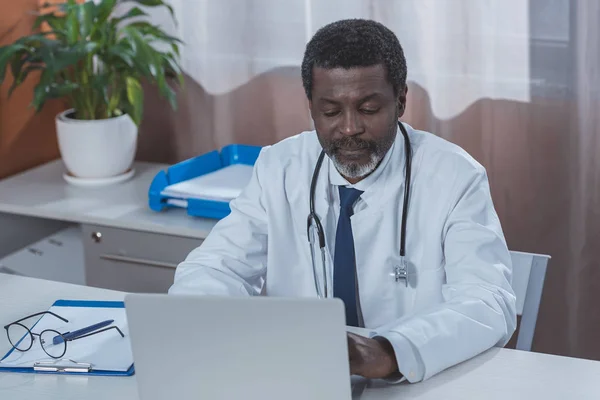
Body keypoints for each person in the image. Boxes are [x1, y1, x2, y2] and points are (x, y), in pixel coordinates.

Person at [168, 18, 516, 383]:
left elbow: (489, 301)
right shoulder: (280, 167)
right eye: (331, 111)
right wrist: (197, 320)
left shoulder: (455, 177)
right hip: (301, 378)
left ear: (400, 101)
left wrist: (391, 350)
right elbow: (216, 268)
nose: (349, 128)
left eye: (368, 109)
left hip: (414, 382)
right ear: (311, 108)